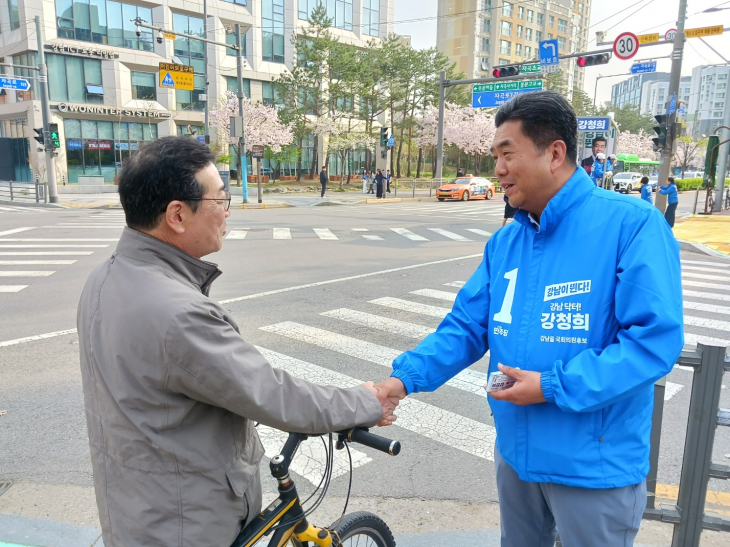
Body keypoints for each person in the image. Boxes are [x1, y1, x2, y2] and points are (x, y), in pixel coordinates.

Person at [375, 91, 683, 547]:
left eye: (507, 154)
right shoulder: (506, 243)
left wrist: (551, 386)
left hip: (592, 468)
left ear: (555, 153)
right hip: (516, 458)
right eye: (494, 155)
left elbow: (652, 343)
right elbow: (465, 327)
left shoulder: (630, 226)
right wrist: (400, 382)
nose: (497, 169)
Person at [77, 136, 399, 547]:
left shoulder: (104, 277)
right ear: (177, 214)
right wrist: (365, 401)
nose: (227, 212)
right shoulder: (177, 312)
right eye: (219, 200)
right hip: (185, 522)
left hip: (135, 503)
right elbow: (272, 394)